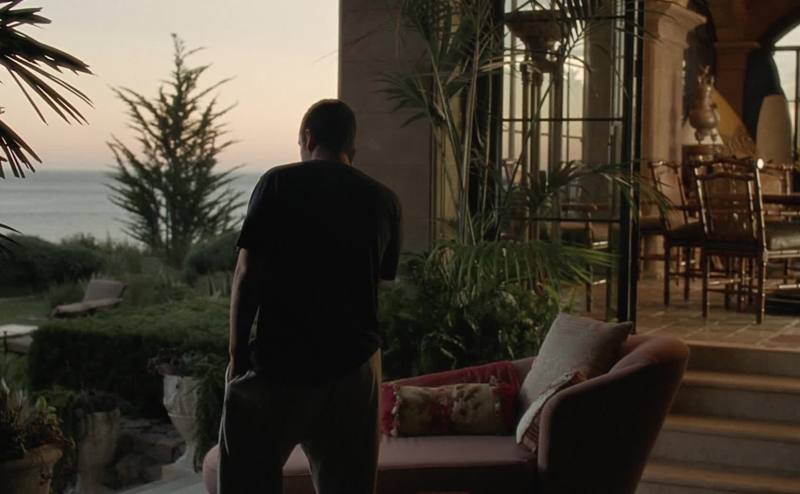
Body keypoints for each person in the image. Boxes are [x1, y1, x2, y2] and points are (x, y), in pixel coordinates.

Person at [218, 99, 402, 494]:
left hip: (280, 364)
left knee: (246, 480)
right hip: (354, 369)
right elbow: (377, 283)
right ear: (352, 147)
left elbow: (247, 274)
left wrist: (237, 354)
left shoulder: (278, 183)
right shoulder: (385, 201)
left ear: (308, 138)